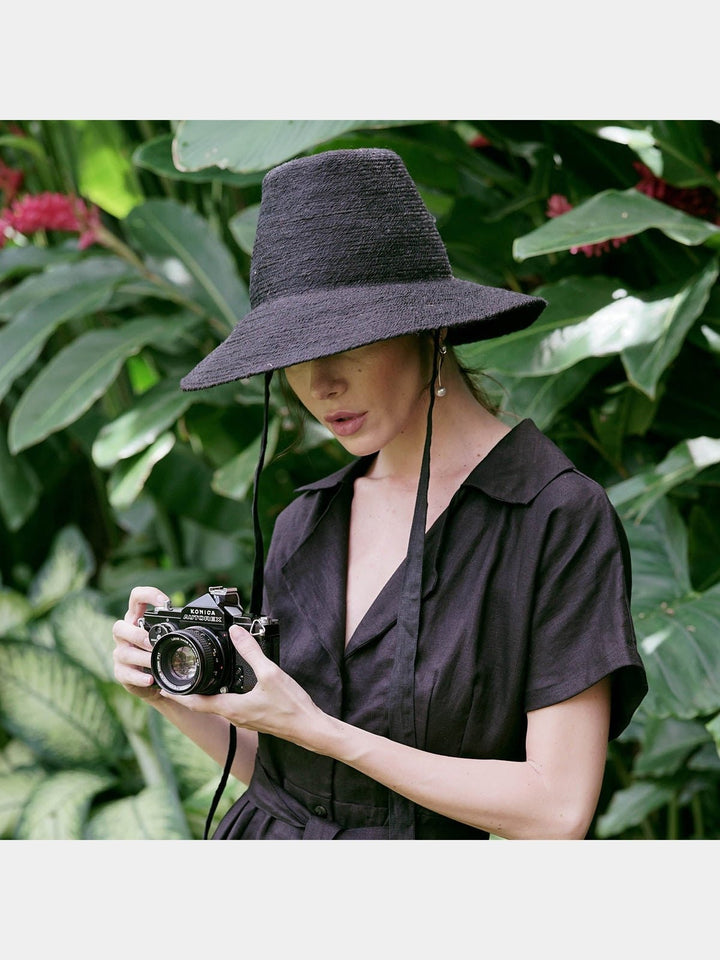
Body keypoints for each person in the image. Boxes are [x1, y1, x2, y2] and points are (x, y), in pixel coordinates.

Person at [112, 147, 647, 840]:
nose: (320, 384)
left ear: (433, 325)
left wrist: (322, 730)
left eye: (347, 343)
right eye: (293, 358)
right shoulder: (307, 520)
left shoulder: (553, 517)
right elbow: (286, 779)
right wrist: (175, 696)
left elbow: (556, 809)